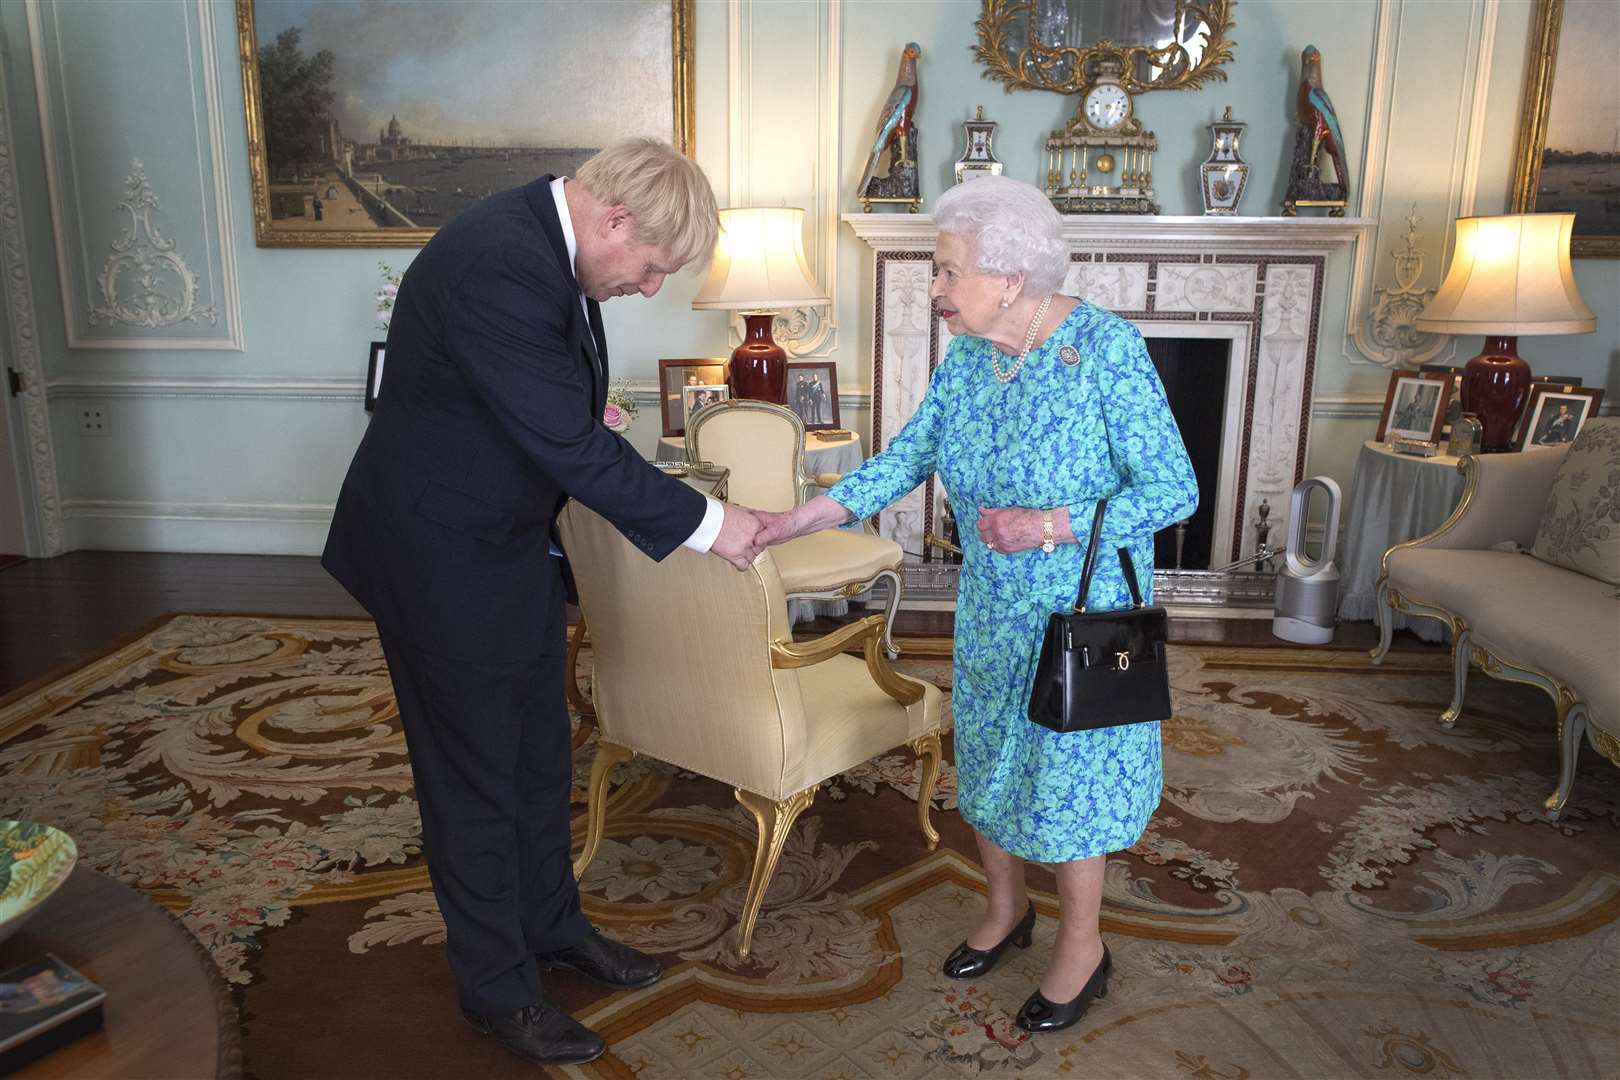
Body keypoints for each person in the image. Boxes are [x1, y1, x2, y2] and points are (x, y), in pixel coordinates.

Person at [322, 138, 767, 1068]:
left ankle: (554, 930)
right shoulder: (498, 262)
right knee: (474, 780)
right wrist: (713, 525)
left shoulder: (546, 241)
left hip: (506, 544)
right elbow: (567, 444)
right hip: (437, 556)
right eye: (650, 268)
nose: (649, 289)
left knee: (535, 758)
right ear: (613, 221)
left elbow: (549, 409)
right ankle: (498, 991)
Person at [759, 175, 1197, 1034]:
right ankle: (1005, 910)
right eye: (936, 268)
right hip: (993, 607)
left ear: (1009, 276)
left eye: (947, 269)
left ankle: (1083, 945)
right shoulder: (971, 355)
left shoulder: (1105, 349)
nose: (936, 288)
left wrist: (1047, 525)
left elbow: (1174, 489)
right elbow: (909, 454)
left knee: (1071, 785)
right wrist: (800, 516)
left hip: (1082, 609)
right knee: (991, 759)